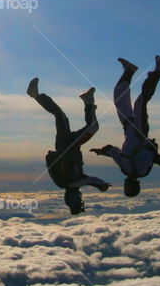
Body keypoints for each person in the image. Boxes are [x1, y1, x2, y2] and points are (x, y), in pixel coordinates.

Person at [91, 56, 160, 197]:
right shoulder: (141, 171)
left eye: (125, 188)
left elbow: (113, 152)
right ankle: (158, 72)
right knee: (140, 102)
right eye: (128, 188)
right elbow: (151, 155)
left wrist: (101, 151)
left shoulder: (126, 169)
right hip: (140, 131)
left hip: (129, 128)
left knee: (119, 98)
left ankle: (129, 71)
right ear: (134, 186)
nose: (125, 185)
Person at [28, 78, 111, 214]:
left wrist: (102, 185)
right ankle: (36, 95)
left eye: (79, 198)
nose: (80, 196)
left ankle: (88, 102)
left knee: (92, 128)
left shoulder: (73, 182)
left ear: (76, 197)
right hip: (63, 145)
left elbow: (91, 180)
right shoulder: (62, 183)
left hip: (69, 146)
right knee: (60, 116)